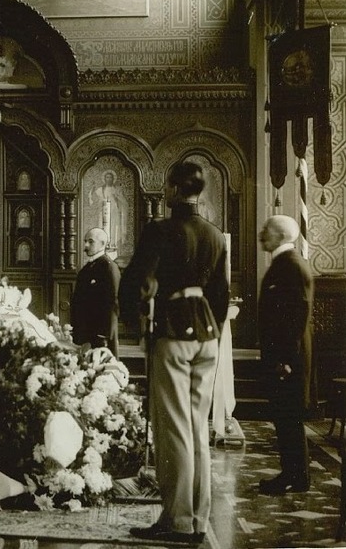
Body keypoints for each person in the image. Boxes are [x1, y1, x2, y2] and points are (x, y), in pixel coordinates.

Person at [118, 161, 229, 546]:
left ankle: (177, 521)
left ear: (175, 189)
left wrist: (136, 319)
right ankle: (198, 520)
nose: (164, 191)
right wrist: (211, 327)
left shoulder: (160, 230)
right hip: (208, 333)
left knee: (174, 430)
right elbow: (221, 294)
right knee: (197, 428)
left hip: (173, 331)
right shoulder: (215, 234)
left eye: (167, 186)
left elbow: (136, 281)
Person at [257, 215, 314, 494]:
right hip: (283, 357)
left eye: (266, 230)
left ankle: (295, 476)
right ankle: (294, 475)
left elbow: (297, 316)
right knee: (286, 418)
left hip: (288, 360)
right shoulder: (284, 263)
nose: (261, 234)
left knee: (289, 418)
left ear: (280, 236)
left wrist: (285, 360)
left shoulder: (291, 265)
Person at [70, 228, 120, 355]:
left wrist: (104, 335)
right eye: (85, 241)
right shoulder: (86, 269)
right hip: (84, 334)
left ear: (102, 244)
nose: (86, 245)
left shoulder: (109, 267)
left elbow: (113, 303)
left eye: (91, 242)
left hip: (100, 336)